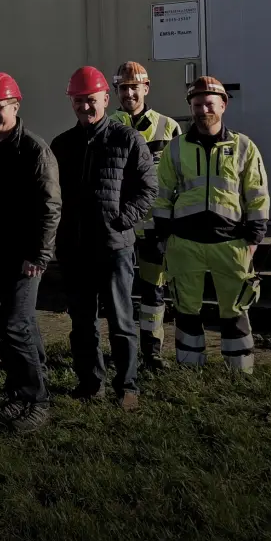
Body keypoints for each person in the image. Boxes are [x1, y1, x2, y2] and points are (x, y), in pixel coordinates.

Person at [50, 67, 156, 411]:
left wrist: (120, 221)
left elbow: (147, 188)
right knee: (82, 323)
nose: (85, 107)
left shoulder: (127, 139)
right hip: (75, 250)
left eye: (91, 101)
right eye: (78, 101)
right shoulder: (62, 145)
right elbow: (52, 196)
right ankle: (89, 383)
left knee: (122, 322)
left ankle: (127, 386)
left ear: (106, 100)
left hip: (114, 249)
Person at [151, 76, 269, 374]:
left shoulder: (244, 147)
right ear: (190, 107)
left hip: (231, 244)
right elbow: (162, 195)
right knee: (186, 311)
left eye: (209, 104)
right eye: (197, 105)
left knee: (235, 310)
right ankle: (190, 373)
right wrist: (164, 237)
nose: (203, 110)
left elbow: (257, 195)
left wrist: (254, 238)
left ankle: (240, 373)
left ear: (223, 105)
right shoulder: (175, 149)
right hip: (185, 244)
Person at [0, 73, 61, 432]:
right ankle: (18, 395)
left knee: (16, 327)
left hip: (24, 258)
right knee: (7, 329)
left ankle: (38, 401)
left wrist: (39, 255)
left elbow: (50, 206)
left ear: (15, 106)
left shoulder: (35, 150)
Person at [109, 61, 183, 370]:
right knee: (119, 292)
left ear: (146, 88)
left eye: (133, 87)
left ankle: (152, 352)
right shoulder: (108, 124)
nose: (128, 93)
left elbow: (180, 177)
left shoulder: (169, 127)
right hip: (120, 227)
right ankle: (122, 352)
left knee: (154, 289)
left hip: (156, 226)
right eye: (123, 88)